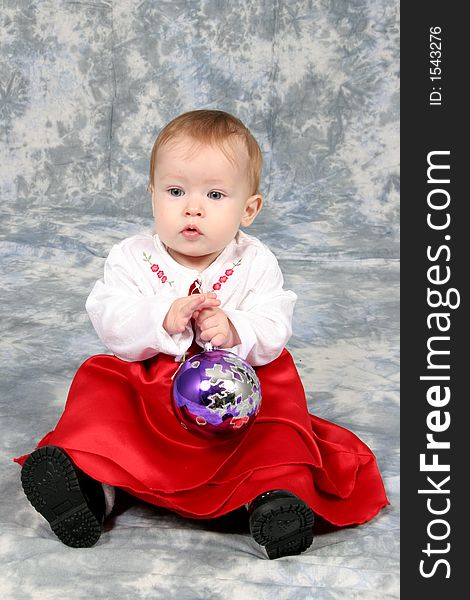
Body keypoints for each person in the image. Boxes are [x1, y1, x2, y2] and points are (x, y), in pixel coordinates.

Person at [15, 109, 389, 559]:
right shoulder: (132, 257)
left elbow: (275, 323)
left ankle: (271, 500)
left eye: (214, 194)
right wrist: (160, 319)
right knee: (102, 389)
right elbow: (109, 316)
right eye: (175, 191)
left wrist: (237, 329)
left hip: (236, 400)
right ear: (152, 195)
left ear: (248, 209)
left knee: (279, 419)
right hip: (151, 390)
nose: (192, 208)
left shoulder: (255, 261)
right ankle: (89, 490)